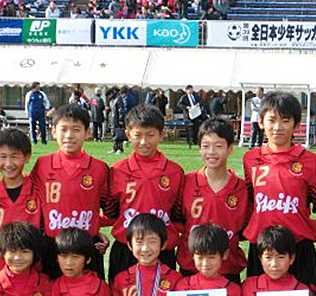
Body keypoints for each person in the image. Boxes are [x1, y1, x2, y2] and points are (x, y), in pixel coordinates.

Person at [243, 91, 316, 296]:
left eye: (285, 120)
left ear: (296, 125)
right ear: (261, 123)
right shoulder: (251, 159)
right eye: (271, 120)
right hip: (262, 249)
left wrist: (311, 225)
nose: (278, 127)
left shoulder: (310, 161)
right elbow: (248, 202)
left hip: (298, 248)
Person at [104, 104, 184, 284]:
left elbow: (177, 214)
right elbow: (111, 210)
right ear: (127, 135)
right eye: (137, 135)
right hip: (126, 248)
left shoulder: (174, 172)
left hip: (162, 249)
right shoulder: (117, 170)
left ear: (162, 135)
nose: (143, 141)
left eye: (150, 135)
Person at [30, 104, 109, 279]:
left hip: (87, 246)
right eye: (63, 129)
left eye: (76, 129)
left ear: (87, 133)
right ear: (53, 131)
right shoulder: (42, 165)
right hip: (53, 245)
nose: (69, 135)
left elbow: (111, 208)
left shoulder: (99, 168)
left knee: (90, 292)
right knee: (52, 293)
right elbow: (32, 204)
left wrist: (95, 228)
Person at [177, 118, 248, 283]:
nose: (212, 152)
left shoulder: (242, 188)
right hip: (192, 265)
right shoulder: (186, 182)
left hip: (227, 267)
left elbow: (245, 228)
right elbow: (177, 219)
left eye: (218, 146)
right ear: (199, 149)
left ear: (230, 149)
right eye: (206, 146)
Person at [0, 128, 41, 276]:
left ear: (27, 157)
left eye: (14, 156)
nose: (8, 163)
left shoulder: (38, 190)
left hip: (30, 272)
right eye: (3, 156)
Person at [110, 88, 128, 154]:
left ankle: (120, 148)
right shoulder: (112, 100)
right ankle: (115, 148)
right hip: (113, 119)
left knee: (119, 134)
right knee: (114, 133)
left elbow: (121, 110)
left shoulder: (119, 99)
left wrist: (121, 119)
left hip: (117, 119)